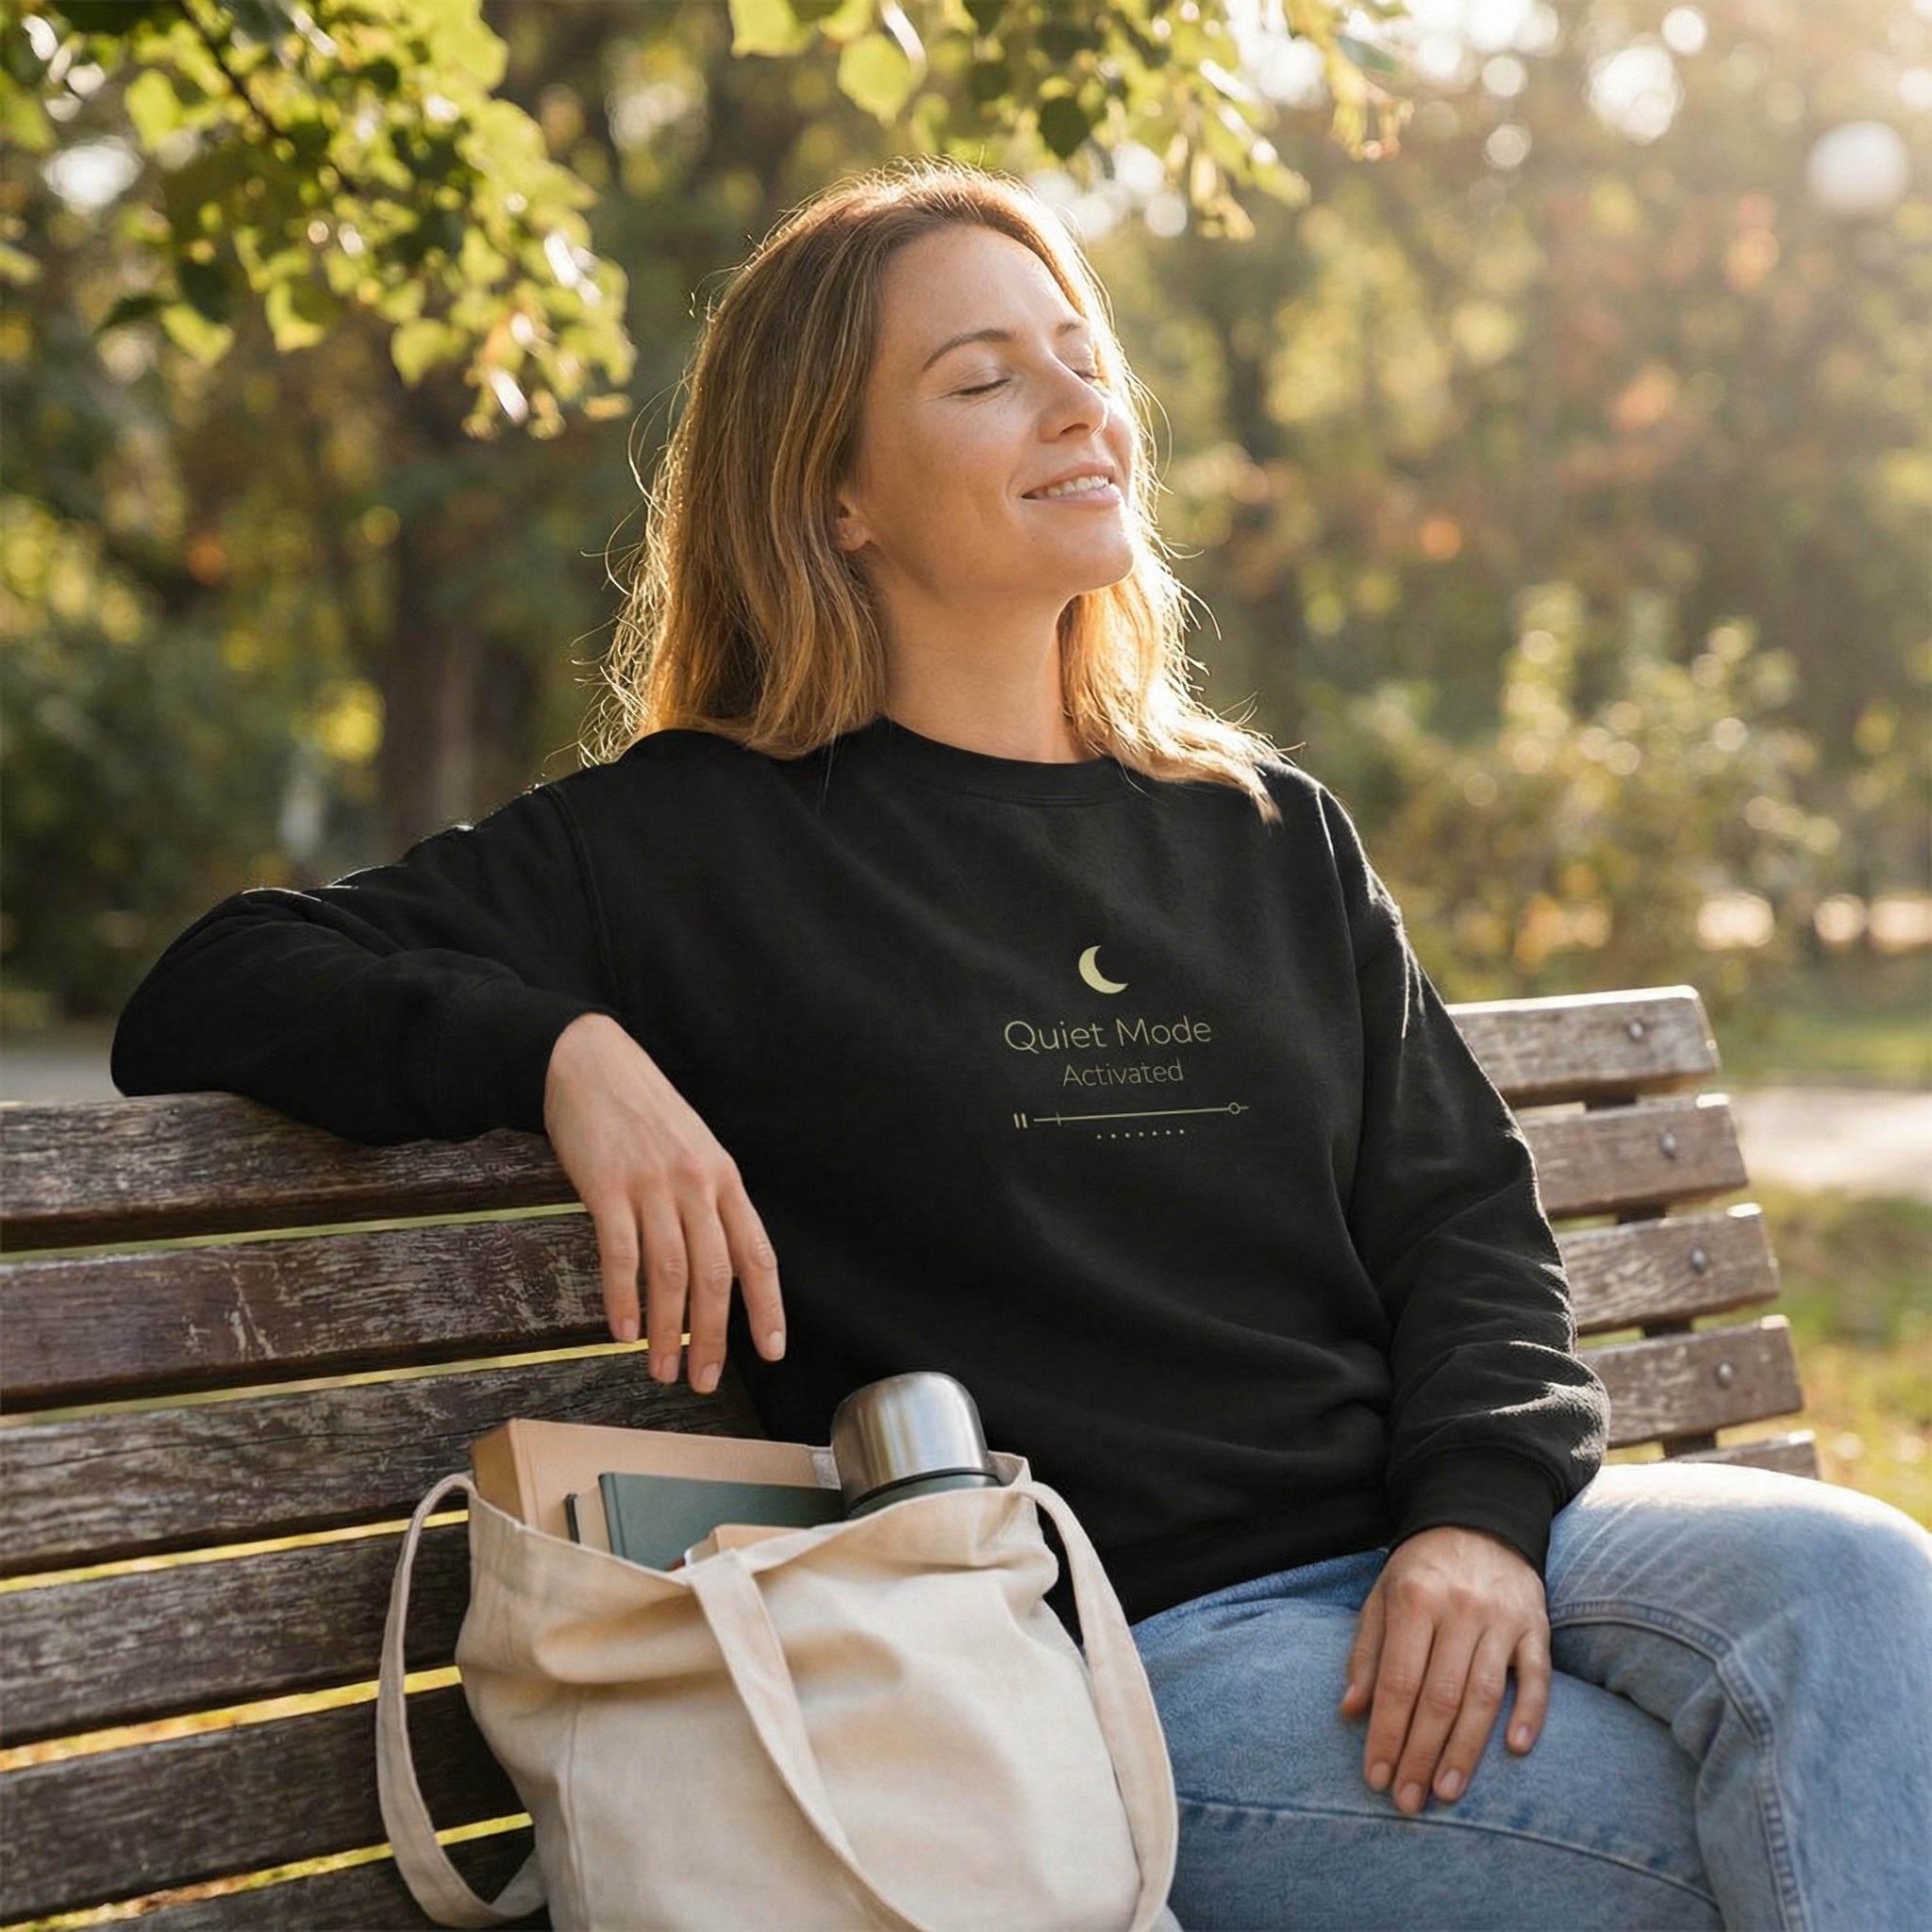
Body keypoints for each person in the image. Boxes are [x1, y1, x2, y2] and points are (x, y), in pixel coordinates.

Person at [113, 160, 1930, 1931]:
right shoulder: (689, 846)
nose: (1077, 403)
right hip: (1121, 1656)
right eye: (984, 379)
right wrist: (563, 1050)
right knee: (1717, 1845)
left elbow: (1463, 1222)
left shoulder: (1261, 831)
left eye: (1079, 353)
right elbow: (215, 982)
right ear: (838, 499)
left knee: (1862, 1582)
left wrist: (1471, 1520)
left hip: (1443, 1550)